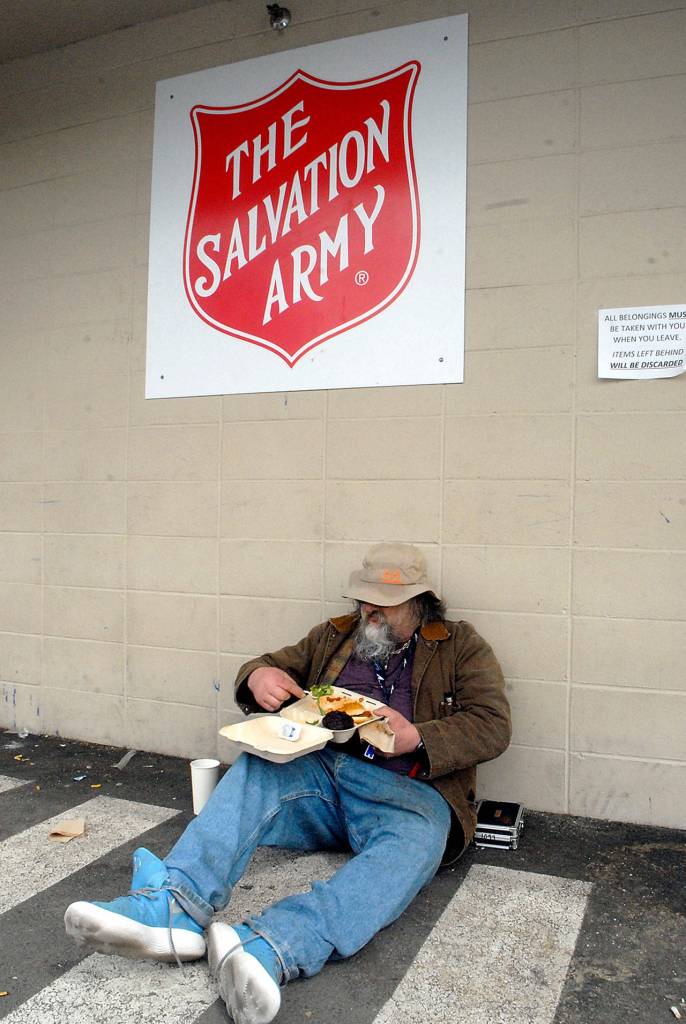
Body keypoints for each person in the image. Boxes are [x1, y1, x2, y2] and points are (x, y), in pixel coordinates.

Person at [65, 543, 511, 1024]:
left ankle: (269, 946)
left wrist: (417, 737)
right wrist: (258, 677)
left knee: (415, 849)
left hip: (410, 794)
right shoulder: (334, 636)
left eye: (384, 604)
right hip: (323, 777)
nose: (370, 613)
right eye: (365, 601)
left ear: (419, 603)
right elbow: (265, 666)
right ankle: (175, 906)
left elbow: (492, 724)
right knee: (256, 766)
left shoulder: (460, 645)